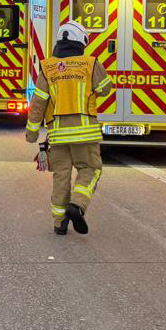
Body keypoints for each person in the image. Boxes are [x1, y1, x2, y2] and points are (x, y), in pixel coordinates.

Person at [25, 20, 112, 234]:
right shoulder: (90, 64)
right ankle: (77, 205)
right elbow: (105, 88)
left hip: (59, 135)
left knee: (61, 174)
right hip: (85, 134)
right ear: (81, 41)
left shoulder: (47, 67)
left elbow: (39, 102)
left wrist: (32, 132)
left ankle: (59, 223)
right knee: (90, 169)